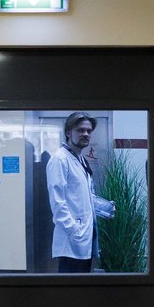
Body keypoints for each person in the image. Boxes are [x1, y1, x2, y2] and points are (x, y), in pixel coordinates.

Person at [46, 112, 115, 273]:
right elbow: (57, 202)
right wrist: (74, 230)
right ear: (68, 132)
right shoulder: (60, 159)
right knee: (70, 285)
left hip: (85, 238)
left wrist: (104, 207)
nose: (86, 134)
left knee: (82, 284)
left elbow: (82, 196)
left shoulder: (80, 159)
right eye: (80, 130)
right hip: (72, 240)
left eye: (89, 131)